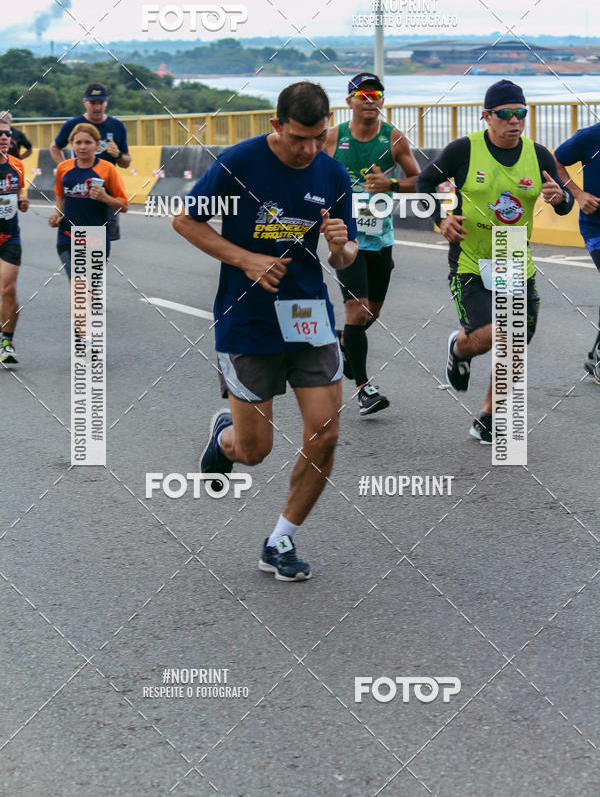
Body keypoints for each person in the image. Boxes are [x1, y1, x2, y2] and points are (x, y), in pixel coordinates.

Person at [173, 82, 358, 581]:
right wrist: (246, 258)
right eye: (299, 138)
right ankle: (225, 436)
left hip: (307, 314)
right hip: (248, 318)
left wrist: (340, 248)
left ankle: (281, 539)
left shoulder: (331, 171)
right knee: (255, 451)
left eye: (318, 137)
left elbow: (345, 256)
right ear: (277, 126)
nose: (308, 149)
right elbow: (186, 221)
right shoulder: (241, 163)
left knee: (326, 432)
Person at [417, 80, 573, 443]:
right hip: (470, 259)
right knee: (496, 333)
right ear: (486, 116)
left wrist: (559, 199)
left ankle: (488, 416)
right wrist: (441, 219)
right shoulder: (464, 150)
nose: (514, 121)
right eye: (505, 114)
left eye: (521, 113)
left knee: (515, 340)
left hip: (514, 258)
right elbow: (424, 183)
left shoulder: (539, 155)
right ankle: (460, 347)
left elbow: (563, 202)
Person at [325, 72, 419, 415]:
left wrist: (391, 185)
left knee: (369, 314)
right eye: (362, 95)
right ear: (349, 101)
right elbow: (309, 171)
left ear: (382, 100)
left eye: (375, 94)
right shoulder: (333, 138)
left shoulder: (393, 139)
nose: (369, 100)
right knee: (358, 309)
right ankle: (365, 389)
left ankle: (342, 342)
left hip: (381, 239)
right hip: (346, 240)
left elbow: (419, 178)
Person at [48, 124, 128, 335]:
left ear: (97, 145)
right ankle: (83, 338)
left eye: (87, 142)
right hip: (67, 236)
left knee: (88, 290)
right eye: (78, 143)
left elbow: (124, 205)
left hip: (95, 238)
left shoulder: (107, 170)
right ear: (72, 145)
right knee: (79, 286)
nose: (82, 147)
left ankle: (86, 328)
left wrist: (105, 197)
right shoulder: (64, 168)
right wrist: (57, 214)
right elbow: (60, 194)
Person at [50, 84, 130, 242]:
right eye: (93, 103)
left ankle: (93, 263)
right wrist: (66, 168)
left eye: (100, 102)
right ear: (85, 102)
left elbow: (126, 162)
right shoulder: (73, 124)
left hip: (105, 188)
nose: (97, 107)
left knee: (103, 239)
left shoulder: (117, 126)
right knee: (74, 237)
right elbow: (54, 147)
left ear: (106, 102)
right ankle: (80, 263)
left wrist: (118, 154)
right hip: (78, 186)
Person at [554, 128, 600, 382]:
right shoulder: (591, 137)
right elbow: (555, 160)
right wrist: (578, 193)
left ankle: (596, 356)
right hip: (597, 228)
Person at [0, 117, 28, 363]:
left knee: (8, 289)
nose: (3, 137)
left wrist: (22, 200)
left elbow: (18, 192)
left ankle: (6, 342)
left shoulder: (17, 165)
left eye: (7, 134)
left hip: (9, 236)